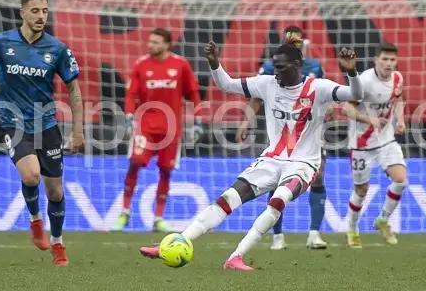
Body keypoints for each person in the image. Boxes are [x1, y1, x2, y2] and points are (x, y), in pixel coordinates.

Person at [140, 41, 363, 271]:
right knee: (227, 198)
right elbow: (226, 85)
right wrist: (215, 63)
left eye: (281, 67)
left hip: (304, 164)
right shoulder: (266, 83)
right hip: (271, 159)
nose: (276, 72)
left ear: (297, 65)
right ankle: (177, 241)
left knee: (278, 200)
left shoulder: (319, 87)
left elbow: (356, 94)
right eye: (274, 66)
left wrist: (352, 72)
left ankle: (236, 256)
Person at [0, 0, 84, 266]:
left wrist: (78, 129)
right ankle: (36, 219)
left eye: (45, 11)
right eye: (35, 11)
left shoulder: (57, 48)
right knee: (32, 175)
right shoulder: (1, 42)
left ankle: (58, 244)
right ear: (22, 12)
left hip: (47, 124)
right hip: (14, 123)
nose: (40, 16)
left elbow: (73, 89)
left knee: (56, 192)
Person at [237, 26, 328, 250]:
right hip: (281, 133)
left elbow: (323, 95)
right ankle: (278, 236)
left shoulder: (314, 67)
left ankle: (314, 234)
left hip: (309, 134)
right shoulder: (271, 67)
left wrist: (329, 109)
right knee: (276, 179)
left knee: (317, 177)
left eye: (298, 42)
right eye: (290, 41)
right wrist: (245, 122)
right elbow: (257, 98)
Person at [112, 28, 202, 233]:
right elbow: (131, 94)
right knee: (135, 163)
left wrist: (198, 120)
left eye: (155, 42)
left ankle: (158, 218)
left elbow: (193, 93)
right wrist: (128, 116)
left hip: (171, 130)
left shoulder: (180, 65)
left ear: (167, 44)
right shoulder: (141, 65)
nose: (150, 45)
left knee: (166, 170)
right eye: (150, 41)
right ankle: (125, 211)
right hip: (145, 126)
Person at [343, 43, 408, 248]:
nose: (389, 64)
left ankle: (383, 220)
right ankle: (352, 229)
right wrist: (367, 120)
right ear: (376, 60)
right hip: (361, 144)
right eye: (385, 59)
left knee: (400, 180)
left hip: (386, 139)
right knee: (361, 190)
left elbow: (398, 98)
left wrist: (400, 119)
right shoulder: (363, 81)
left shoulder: (397, 78)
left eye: (392, 60)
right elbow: (346, 108)